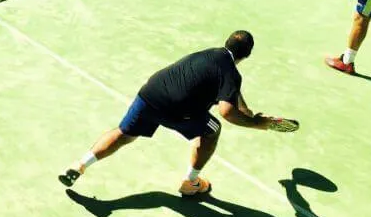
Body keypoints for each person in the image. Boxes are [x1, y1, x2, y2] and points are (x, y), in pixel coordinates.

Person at [58, 31, 298, 196]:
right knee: (213, 130)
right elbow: (227, 111)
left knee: (124, 134)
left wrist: (251, 114)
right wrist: (257, 125)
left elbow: (235, 99)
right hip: (177, 110)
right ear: (248, 55)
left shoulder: (210, 54)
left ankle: (79, 166)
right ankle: (190, 182)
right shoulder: (231, 74)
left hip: (150, 94)